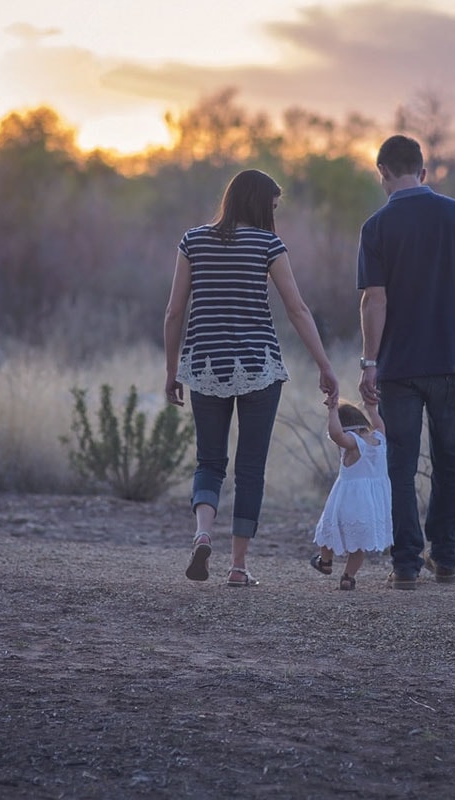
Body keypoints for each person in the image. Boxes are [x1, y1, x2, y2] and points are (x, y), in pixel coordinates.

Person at [164, 169, 338, 587]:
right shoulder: (268, 245)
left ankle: (203, 532)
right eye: (273, 206)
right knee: (250, 469)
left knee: (209, 461)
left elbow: (173, 312)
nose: (274, 214)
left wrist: (172, 371)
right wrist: (325, 365)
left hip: (205, 365)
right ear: (260, 204)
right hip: (259, 366)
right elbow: (297, 310)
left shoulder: (193, 241)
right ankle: (238, 567)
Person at [357, 134, 455, 590]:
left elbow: (374, 301)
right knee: (451, 460)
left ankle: (405, 565)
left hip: (399, 368)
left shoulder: (376, 226)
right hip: (452, 362)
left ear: (382, 173)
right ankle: (446, 557)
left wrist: (369, 361)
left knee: (400, 465)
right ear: (423, 171)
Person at [310, 399, 393, 590]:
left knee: (328, 530)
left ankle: (326, 561)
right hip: (372, 505)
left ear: (347, 428)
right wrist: (371, 408)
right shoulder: (379, 438)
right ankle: (348, 577)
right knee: (359, 545)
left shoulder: (353, 443)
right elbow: (379, 424)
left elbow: (336, 434)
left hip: (348, 500)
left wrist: (332, 411)